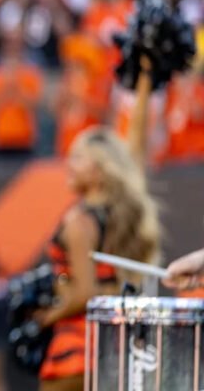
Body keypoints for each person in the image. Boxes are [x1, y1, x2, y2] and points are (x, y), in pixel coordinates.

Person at [34, 127, 160, 391]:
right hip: (120, 352)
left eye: (79, 158)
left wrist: (47, 317)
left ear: (101, 169)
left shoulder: (79, 221)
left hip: (77, 353)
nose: (69, 165)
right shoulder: (123, 217)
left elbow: (85, 294)